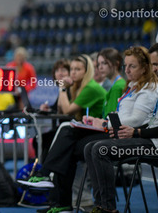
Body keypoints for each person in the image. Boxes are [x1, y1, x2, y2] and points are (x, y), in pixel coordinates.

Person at [21, 48, 158, 213]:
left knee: (74, 140)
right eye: (126, 66)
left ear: (144, 68)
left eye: (132, 66)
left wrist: (104, 123)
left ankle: (96, 204)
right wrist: (101, 122)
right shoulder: (131, 86)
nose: (127, 70)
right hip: (116, 130)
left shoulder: (132, 88)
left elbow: (134, 120)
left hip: (128, 135)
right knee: (68, 140)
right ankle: (60, 199)